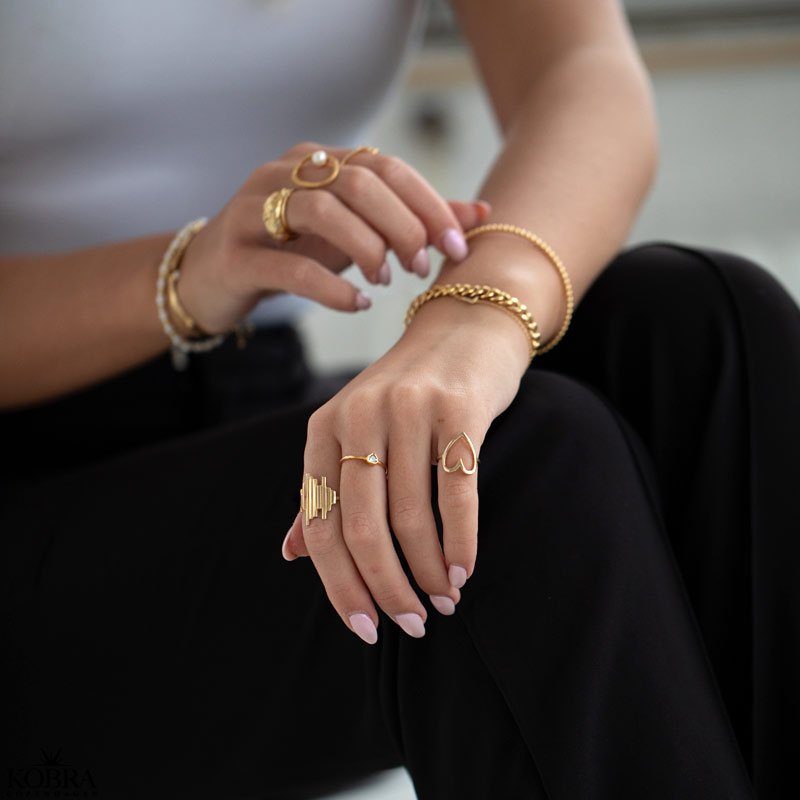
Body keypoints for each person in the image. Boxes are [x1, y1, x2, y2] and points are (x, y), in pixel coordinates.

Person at [0, 1, 797, 797]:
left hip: (245, 395)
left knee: (707, 325)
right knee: (503, 488)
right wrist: (184, 276)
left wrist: (476, 315)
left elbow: (580, 72)